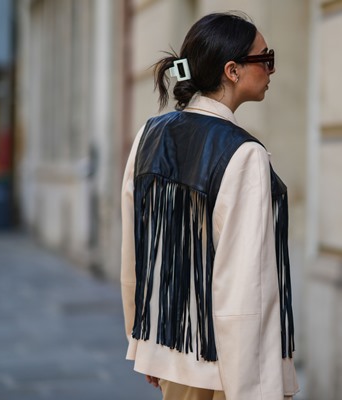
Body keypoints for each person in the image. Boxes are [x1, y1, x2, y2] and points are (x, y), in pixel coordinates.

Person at [121, 12, 298, 400]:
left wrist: (147, 340)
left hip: (175, 346)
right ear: (232, 70)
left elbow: (137, 252)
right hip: (227, 368)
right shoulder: (244, 153)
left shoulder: (148, 135)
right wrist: (256, 388)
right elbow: (246, 287)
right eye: (265, 59)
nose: (271, 69)